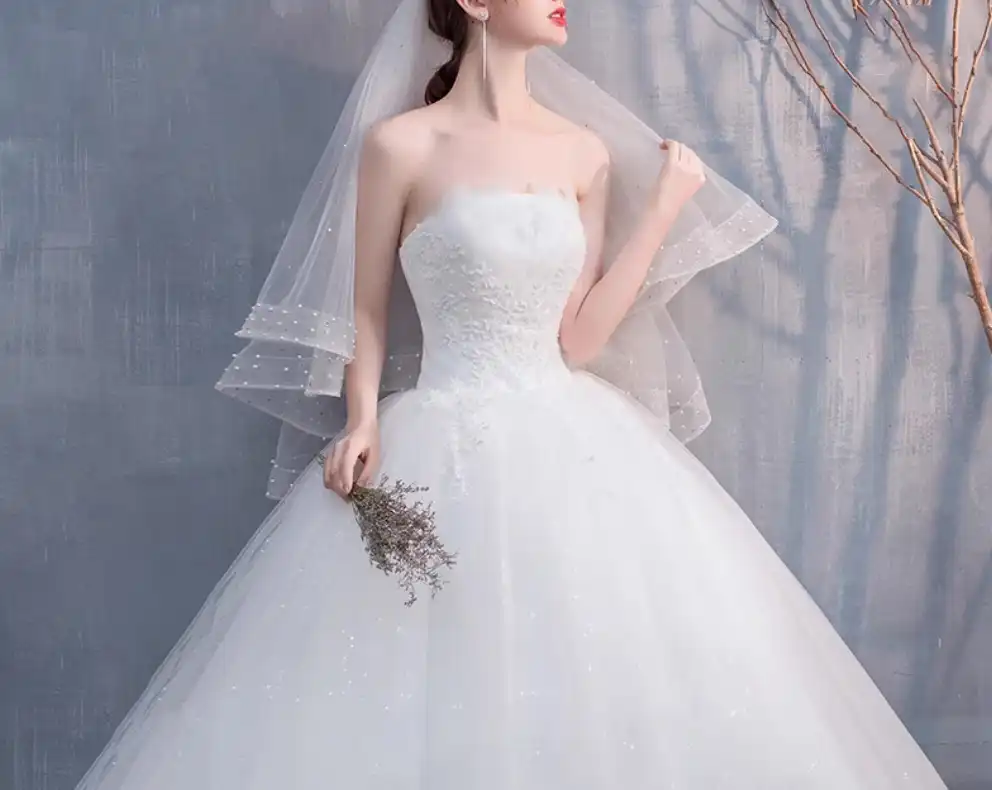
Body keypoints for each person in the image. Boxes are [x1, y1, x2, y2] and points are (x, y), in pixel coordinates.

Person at [75, 1, 950, 788]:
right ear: (476, 3)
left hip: (575, 444)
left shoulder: (583, 152)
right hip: (438, 435)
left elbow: (579, 339)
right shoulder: (401, 145)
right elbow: (364, 309)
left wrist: (662, 210)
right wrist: (363, 419)